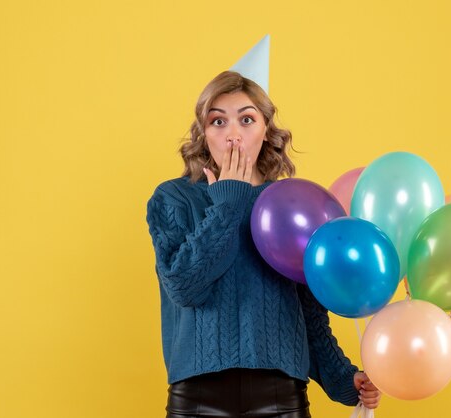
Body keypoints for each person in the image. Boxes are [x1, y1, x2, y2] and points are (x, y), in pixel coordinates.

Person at [146, 71, 381, 418]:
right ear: (203, 133)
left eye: (246, 119)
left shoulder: (291, 204)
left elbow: (309, 314)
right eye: (218, 121)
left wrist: (345, 379)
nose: (233, 134)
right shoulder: (173, 198)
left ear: (266, 130)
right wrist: (228, 199)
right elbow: (184, 287)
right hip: (196, 400)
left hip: (280, 398)